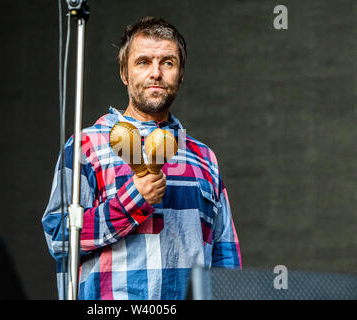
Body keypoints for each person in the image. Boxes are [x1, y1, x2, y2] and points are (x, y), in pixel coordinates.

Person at [42, 16, 241, 300]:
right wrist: (132, 199)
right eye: (143, 62)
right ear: (125, 73)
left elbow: (225, 254)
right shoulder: (86, 146)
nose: (156, 73)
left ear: (181, 74)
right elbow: (59, 237)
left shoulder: (204, 158)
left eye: (168, 63)